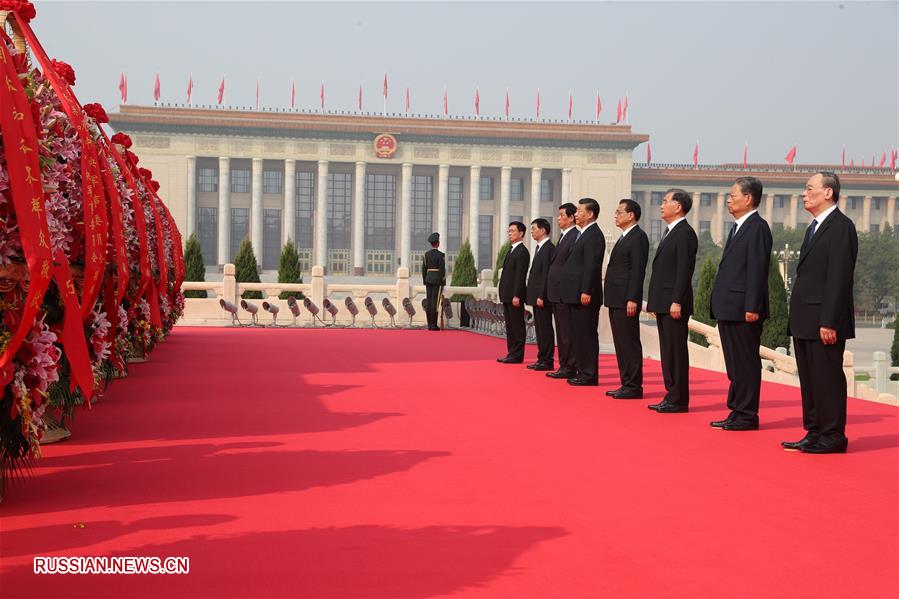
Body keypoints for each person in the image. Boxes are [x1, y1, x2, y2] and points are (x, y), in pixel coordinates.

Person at [783, 172, 857, 453]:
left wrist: (829, 320)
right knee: (810, 379)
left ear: (828, 192)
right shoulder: (813, 227)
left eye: (809, 188)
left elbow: (839, 277)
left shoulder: (841, 227)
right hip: (805, 318)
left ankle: (833, 435)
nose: (804, 194)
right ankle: (814, 431)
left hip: (825, 321)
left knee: (827, 379)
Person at [709, 177, 772, 430]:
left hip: (744, 309)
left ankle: (747, 414)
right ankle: (736, 410)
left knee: (745, 363)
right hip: (729, 307)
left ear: (748, 198)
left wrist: (752, 306)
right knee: (735, 364)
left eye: (733, 196)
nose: (728, 200)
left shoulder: (758, 227)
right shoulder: (738, 227)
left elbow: (757, 269)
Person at [646, 188, 698, 413]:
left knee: (676, 352)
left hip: (674, 303)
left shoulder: (685, 233)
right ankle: (671, 395)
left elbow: (684, 270)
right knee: (667, 351)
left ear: (678, 207)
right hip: (664, 301)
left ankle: (678, 399)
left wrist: (677, 300)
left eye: (665, 201)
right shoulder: (670, 232)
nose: (661, 205)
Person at [603, 199, 649, 399]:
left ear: (631, 215)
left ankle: (634, 386)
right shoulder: (624, 237)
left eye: (619, 212)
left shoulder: (638, 237)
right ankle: (626, 383)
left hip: (626, 300)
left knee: (629, 342)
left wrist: (632, 298)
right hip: (615, 298)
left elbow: (638, 271)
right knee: (621, 343)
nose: (615, 215)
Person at [561, 198, 605, 386]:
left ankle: (589, 374)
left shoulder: (594, 235)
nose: (576, 214)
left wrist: (586, 290)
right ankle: (582, 371)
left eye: (580, 211)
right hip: (574, 294)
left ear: (590, 214)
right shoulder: (582, 234)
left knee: (586, 334)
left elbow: (591, 266)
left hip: (585, 295)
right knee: (578, 334)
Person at [543, 203, 579, 379]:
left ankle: (569, 366)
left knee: (567, 333)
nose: (558, 218)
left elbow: (570, 266)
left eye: (562, 215)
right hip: (556, 293)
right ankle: (564, 364)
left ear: (571, 218)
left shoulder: (574, 236)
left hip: (564, 292)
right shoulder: (564, 237)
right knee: (562, 332)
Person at [497, 221, 530, 363]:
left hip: (514, 296)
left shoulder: (522, 251)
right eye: (509, 231)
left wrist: (517, 294)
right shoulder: (511, 250)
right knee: (510, 326)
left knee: (517, 326)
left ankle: (517, 355)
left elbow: (520, 276)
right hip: (507, 294)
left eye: (513, 231)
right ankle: (511, 352)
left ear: (521, 233)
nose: (510, 233)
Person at [526, 218, 555, 371]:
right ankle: (541, 358)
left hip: (542, 297)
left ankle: (547, 360)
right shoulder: (539, 248)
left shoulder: (549, 248)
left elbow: (546, 274)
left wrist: (542, 295)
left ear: (543, 230)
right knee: (540, 329)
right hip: (536, 295)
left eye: (534, 229)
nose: (531, 232)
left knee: (545, 328)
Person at [422, 232, 446, 331]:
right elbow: (442, 270)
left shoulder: (426, 255)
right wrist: (443, 282)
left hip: (428, 279)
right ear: (438, 243)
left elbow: (424, 269)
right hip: (437, 280)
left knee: (429, 301)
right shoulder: (441, 255)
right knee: (435, 303)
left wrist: (425, 280)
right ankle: (433, 325)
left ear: (431, 244)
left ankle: (429, 324)